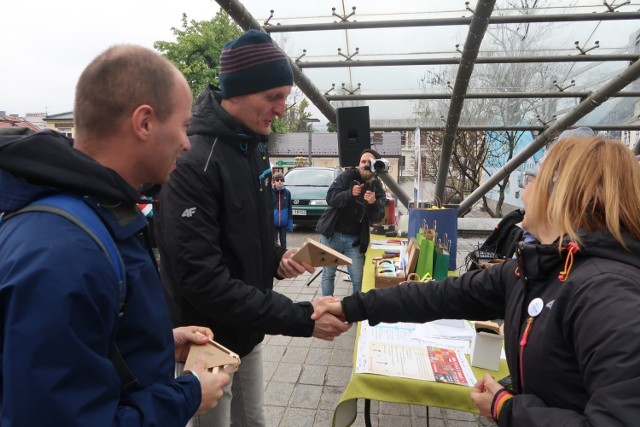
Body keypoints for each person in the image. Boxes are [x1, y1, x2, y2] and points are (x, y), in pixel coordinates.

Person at [312, 135, 640, 426]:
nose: (525, 188)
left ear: (563, 193)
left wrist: (506, 408)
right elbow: (439, 296)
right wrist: (350, 306)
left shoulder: (609, 295)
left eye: (533, 178)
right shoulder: (537, 268)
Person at [0, 45, 230, 425]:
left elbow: (78, 347)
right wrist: (187, 395)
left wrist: (155, 341)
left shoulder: (83, 212)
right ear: (144, 123)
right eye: (184, 125)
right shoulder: (65, 252)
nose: (188, 142)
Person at [153, 30, 350, 427]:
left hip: (249, 328)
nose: (282, 108)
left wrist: (279, 257)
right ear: (238, 92)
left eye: (285, 96)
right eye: (273, 97)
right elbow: (201, 279)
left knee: (254, 422)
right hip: (206, 338)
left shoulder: (250, 146)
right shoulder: (195, 161)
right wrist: (300, 317)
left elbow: (247, 232)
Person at [315, 148, 386, 296]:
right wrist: (349, 193)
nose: (365, 165)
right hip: (331, 235)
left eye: (369, 162)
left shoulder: (377, 186)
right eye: (363, 161)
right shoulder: (347, 176)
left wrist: (373, 203)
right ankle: (328, 310)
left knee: (358, 280)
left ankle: (356, 313)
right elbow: (330, 197)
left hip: (354, 241)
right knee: (328, 275)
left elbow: (378, 217)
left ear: (376, 165)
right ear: (358, 163)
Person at [272, 171, 293, 249]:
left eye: (281, 180)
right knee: (274, 241)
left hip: (283, 223)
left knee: (283, 240)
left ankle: (283, 254)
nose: (279, 181)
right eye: (277, 180)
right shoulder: (270, 192)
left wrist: (290, 223)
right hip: (273, 222)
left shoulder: (287, 193)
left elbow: (289, 207)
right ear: (274, 181)